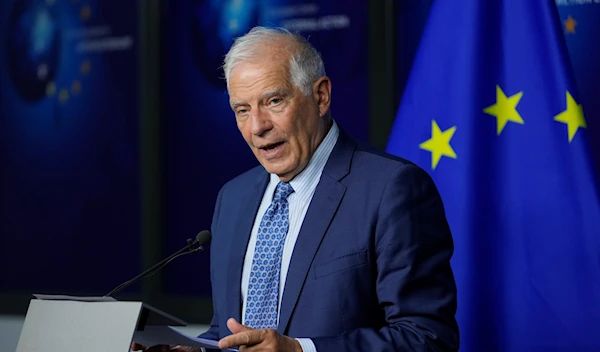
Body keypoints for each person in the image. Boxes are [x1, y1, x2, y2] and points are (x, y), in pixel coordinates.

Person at [134, 26, 459, 352]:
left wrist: (301, 350)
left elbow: (426, 338)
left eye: (274, 101)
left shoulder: (392, 189)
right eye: (242, 110)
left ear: (320, 97)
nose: (258, 127)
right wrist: (195, 350)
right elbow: (229, 330)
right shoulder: (232, 198)